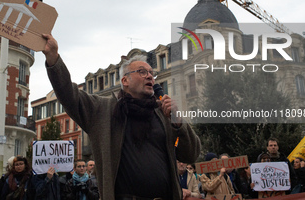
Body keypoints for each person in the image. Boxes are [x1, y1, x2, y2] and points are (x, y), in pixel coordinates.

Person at [42, 34, 201, 200]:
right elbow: (69, 95)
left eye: (151, 73)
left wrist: (178, 123)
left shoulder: (163, 112)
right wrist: (54, 59)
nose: (149, 76)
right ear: (125, 80)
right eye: (142, 72)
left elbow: (191, 155)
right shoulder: (103, 109)